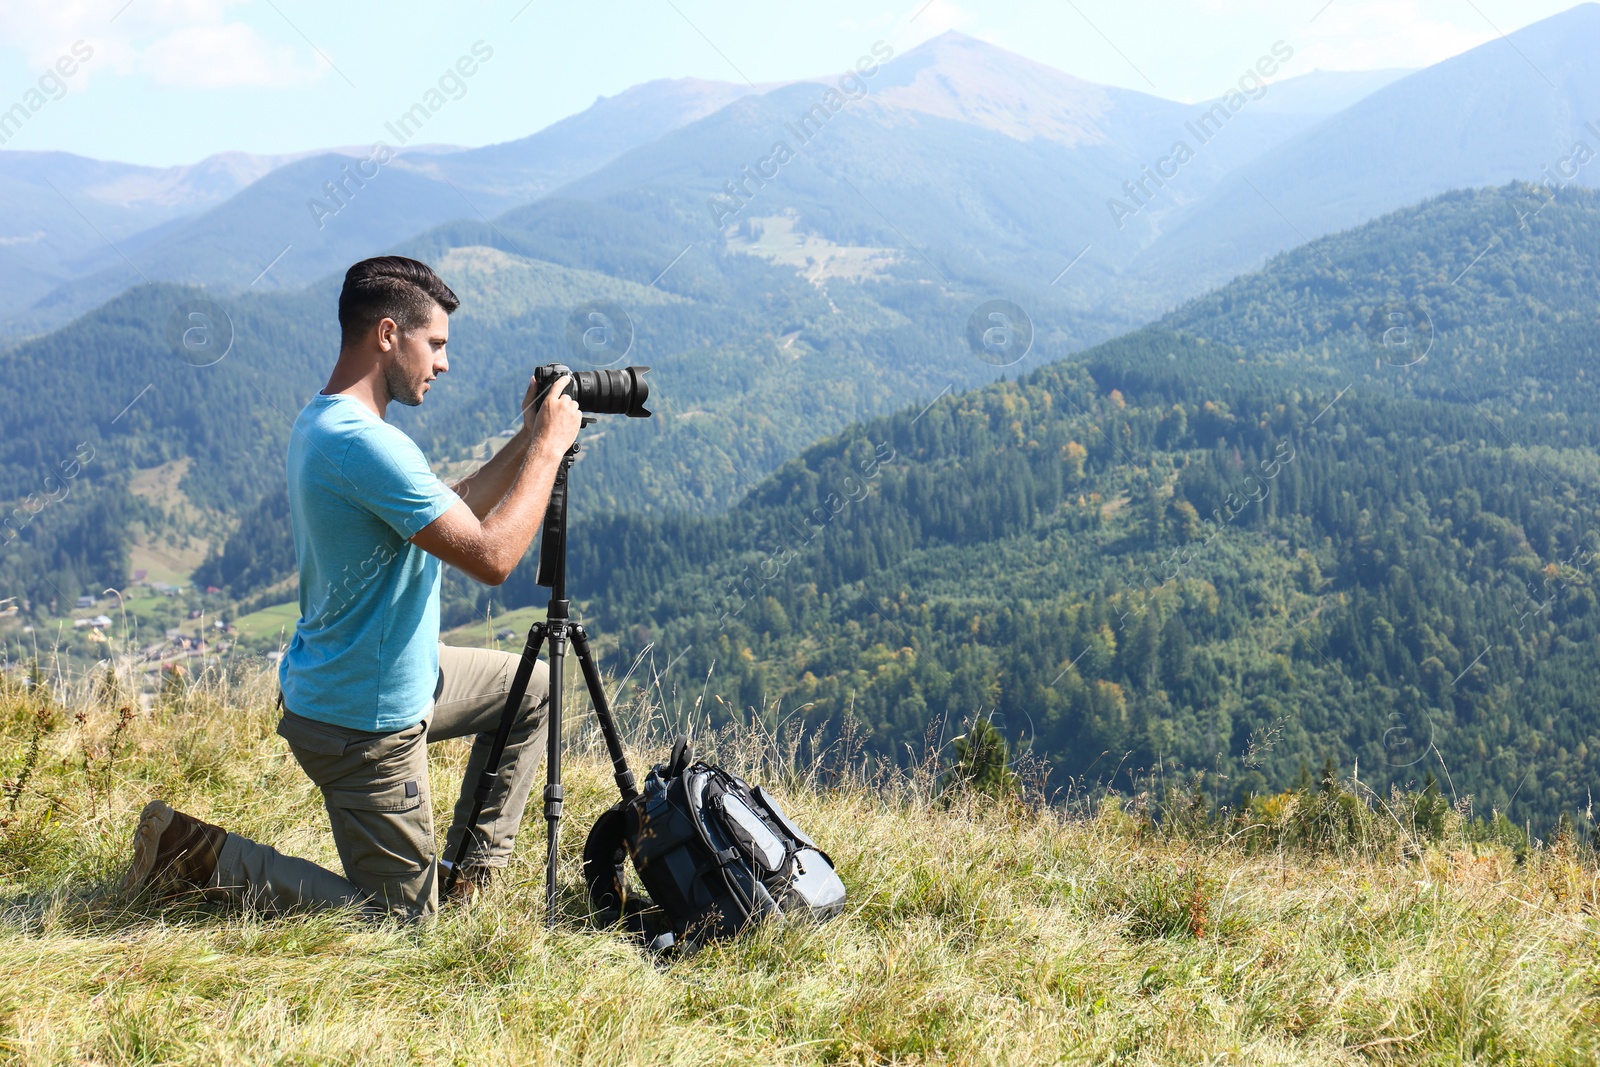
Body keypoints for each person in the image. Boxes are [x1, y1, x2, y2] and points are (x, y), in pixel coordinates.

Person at [121, 256, 583, 920]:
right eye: (437, 344)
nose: (444, 364)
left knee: (532, 688)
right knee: (401, 926)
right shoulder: (366, 446)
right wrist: (548, 451)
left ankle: (465, 879)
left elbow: (455, 510)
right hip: (364, 723)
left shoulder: (330, 423)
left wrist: (528, 435)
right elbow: (491, 556)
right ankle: (189, 853)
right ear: (389, 334)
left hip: (389, 677)